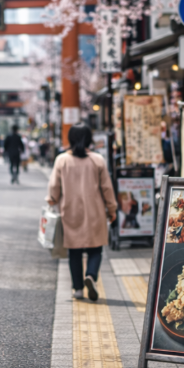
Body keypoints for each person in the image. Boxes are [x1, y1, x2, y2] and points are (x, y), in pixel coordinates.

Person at [46, 124, 117, 301]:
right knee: (95, 249)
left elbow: (54, 187)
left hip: (70, 212)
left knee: (74, 252)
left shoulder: (62, 160)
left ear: (70, 139)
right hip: (95, 211)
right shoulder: (97, 160)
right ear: (89, 139)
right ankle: (91, 275)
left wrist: (52, 200)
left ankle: (78, 289)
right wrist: (112, 209)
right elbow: (107, 188)